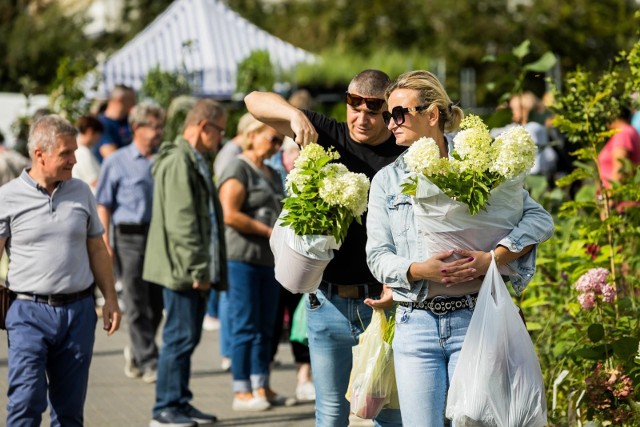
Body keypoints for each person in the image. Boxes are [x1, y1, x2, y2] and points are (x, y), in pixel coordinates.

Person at [365, 70, 554, 426]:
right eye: (388, 115)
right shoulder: (387, 181)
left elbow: (539, 221)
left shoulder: (479, 166)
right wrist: (419, 270)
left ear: (432, 114)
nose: (390, 124)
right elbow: (377, 257)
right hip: (414, 323)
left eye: (399, 113)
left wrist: (493, 259)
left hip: (475, 321)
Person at [245, 69, 405, 426]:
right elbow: (253, 101)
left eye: (372, 111)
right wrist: (293, 114)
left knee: (388, 414)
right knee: (330, 414)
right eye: (354, 107)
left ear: (387, 112)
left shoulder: (401, 151)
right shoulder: (325, 133)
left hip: (382, 306)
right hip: (327, 302)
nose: (361, 118)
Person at [0, 115, 121, 426]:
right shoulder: (7, 197)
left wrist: (110, 299)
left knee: (69, 411)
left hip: (78, 313)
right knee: (26, 401)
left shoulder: (81, 192)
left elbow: (97, 248)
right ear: (40, 154)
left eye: (75, 151)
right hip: (27, 311)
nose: (74, 159)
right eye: (66, 153)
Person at [143, 99, 228, 427]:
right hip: (183, 271)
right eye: (219, 130)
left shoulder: (191, 158)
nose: (221, 138)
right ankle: (164, 409)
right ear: (203, 126)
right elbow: (183, 224)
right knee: (179, 337)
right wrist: (198, 270)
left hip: (186, 268)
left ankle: (178, 401)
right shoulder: (179, 160)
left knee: (186, 337)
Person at [217, 115, 293, 411]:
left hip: (268, 260)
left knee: (266, 326)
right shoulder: (238, 167)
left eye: (279, 142)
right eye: (272, 139)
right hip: (243, 258)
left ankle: (262, 384)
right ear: (252, 133)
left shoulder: (272, 173)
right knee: (246, 325)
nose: (276, 147)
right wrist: (267, 230)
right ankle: (241, 390)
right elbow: (229, 213)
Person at [95, 103, 166, 384]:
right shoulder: (118, 160)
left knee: (157, 304)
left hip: (158, 237)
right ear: (137, 128)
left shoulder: (162, 159)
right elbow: (104, 203)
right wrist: (105, 241)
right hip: (129, 236)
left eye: (161, 126)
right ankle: (149, 360)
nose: (159, 132)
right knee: (136, 302)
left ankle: (137, 353)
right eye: (154, 126)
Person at [598, 102, 640, 189]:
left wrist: (611, 196)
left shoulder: (622, 134)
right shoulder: (631, 131)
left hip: (620, 199)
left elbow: (620, 168)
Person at [93, 84, 136, 163]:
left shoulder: (128, 121)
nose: (134, 104)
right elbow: (112, 157)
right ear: (120, 100)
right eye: (132, 100)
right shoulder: (101, 124)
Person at [72, 115, 104, 193]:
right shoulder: (82, 152)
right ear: (90, 132)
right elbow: (94, 182)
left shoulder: (82, 150)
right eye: (98, 135)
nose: (99, 139)